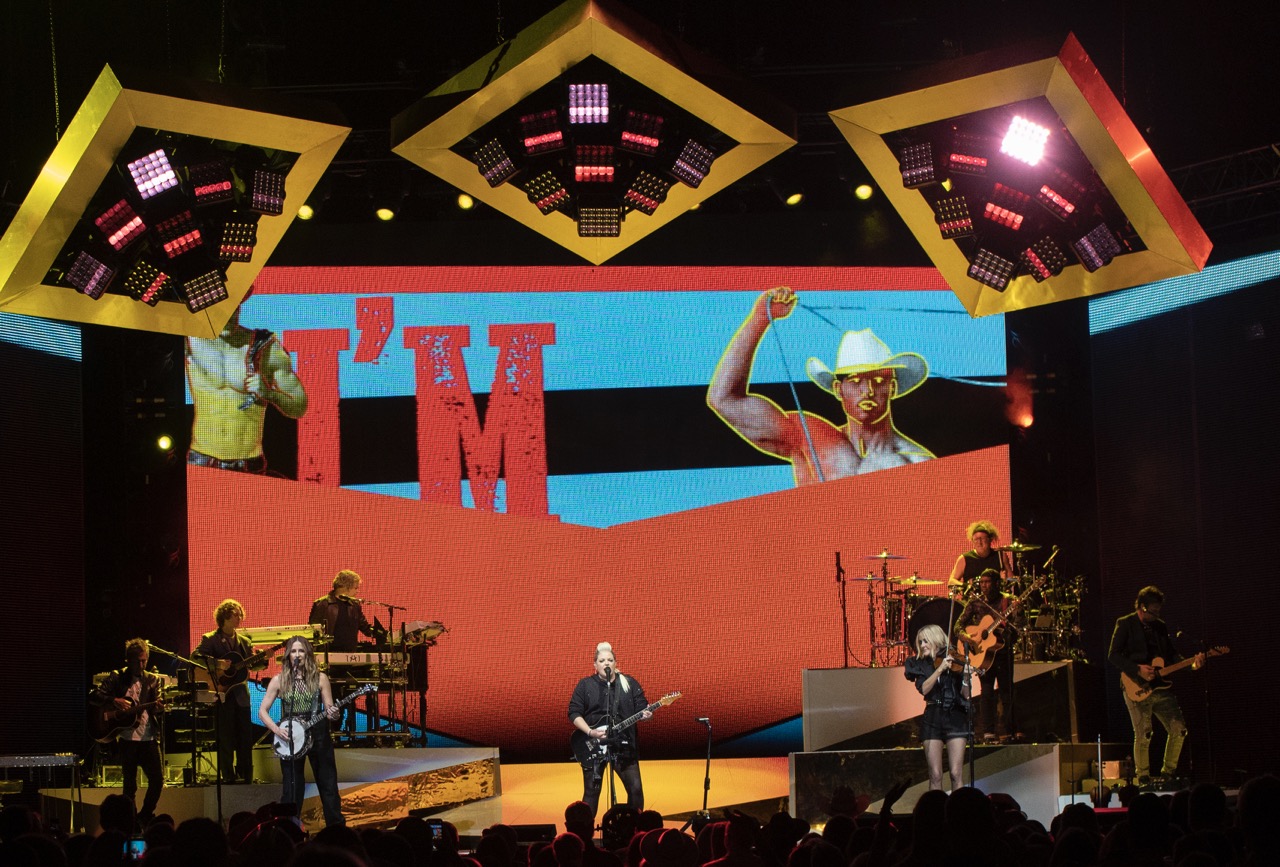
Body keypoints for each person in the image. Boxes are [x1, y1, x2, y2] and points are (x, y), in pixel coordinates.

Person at [707, 287, 933, 485]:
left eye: (878, 381)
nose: (868, 391)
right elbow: (723, 399)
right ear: (838, 389)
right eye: (855, 381)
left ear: (892, 388)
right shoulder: (811, 438)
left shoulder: (917, 462)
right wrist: (760, 318)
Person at [185, 297, 307, 474]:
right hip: (201, 460)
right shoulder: (190, 341)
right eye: (220, 312)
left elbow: (299, 407)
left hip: (248, 465)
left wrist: (269, 394)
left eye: (232, 310)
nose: (227, 318)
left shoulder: (265, 347)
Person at [1107, 585, 1204, 788]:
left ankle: (1168, 773)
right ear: (1142, 607)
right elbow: (1113, 655)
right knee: (1144, 732)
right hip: (1135, 686)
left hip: (1161, 687)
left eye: (1158, 611)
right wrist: (1137, 669)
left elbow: (1172, 655)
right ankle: (1143, 778)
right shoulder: (1125, 623)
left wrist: (1192, 664)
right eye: (1153, 611)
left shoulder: (1160, 626)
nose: (1157, 615)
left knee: (1179, 729)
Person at [257, 635, 345, 828]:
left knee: (328, 784)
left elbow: (329, 709)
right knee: (292, 788)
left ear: (308, 654)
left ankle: (336, 830)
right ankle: (289, 829)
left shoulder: (321, 678)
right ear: (288, 655)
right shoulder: (279, 680)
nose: (297, 655)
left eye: (301, 651)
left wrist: (334, 714)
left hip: (318, 732)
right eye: (294, 651)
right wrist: (276, 729)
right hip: (291, 735)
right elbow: (262, 711)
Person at [568, 642, 651, 817]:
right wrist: (590, 732)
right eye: (602, 660)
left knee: (635, 790)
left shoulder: (629, 683)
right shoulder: (585, 685)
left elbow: (642, 707)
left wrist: (645, 714)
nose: (606, 663)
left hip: (623, 745)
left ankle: (633, 828)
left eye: (610, 660)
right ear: (595, 665)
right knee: (591, 792)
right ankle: (585, 830)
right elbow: (574, 712)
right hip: (594, 745)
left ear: (615, 663)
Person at [89, 638, 166, 823]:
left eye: (144, 661)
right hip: (126, 738)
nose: (142, 665)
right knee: (129, 785)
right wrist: (114, 700)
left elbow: (157, 708)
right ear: (129, 660)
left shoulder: (153, 680)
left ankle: (145, 816)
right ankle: (130, 821)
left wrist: (160, 708)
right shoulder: (117, 676)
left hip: (148, 738)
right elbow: (94, 695)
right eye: (138, 661)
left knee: (157, 781)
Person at [192, 599, 263, 784]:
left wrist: (264, 659)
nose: (239, 618)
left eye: (240, 614)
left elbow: (252, 664)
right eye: (235, 614)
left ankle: (245, 776)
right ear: (224, 617)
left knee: (245, 738)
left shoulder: (244, 641)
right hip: (222, 693)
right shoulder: (211, 639)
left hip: (241, 696)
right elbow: (196, 657)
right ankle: (228, 777)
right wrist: (218, 664)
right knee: (226, 738)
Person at [308, 569, 382, 737]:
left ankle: (336, 730)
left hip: (349, 659)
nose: (357, 591)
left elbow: (365, 627)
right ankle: (328, 732)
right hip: (328, 659)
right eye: (355, 588)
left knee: (345, 695)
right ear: (345, 587)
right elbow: (313, 632)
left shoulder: (354, 605)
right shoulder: (322, 604)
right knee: (331, 695)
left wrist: (382, 635)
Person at [954, 569, 1021, 743]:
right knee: (987, 692)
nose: (984, 585)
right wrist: (968, 638)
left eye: (987, 582)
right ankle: (988, 732)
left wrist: (1017, 613)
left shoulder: (1007, 601)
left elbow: (1018, 628)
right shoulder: (975, 602)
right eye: (982, 582)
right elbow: (957, 626)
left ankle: (1011, 730)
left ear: (997, 583)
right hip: (982, 653)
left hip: (1003, 652)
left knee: (1007, 692)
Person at [904, 624, 971, 791]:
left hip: (955, 717)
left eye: (926, 641)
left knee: (956, 773)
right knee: (935, 774)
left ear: (936, 640)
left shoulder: (954, 659)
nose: (922, 645)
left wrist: (966, 677)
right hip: (932, 717)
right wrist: (940, 669)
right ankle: (935, 806)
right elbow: (924, 688)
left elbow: (966, 695)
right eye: (920, 642)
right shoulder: (920, 664)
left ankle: (957, 806)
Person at [947, 520, 1011, 598]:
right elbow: (951, 581)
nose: (979, 542)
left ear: (990, 539)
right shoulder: (964, 558)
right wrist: (967, 586)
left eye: (982, 539)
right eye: (976, 539)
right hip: (972, 601)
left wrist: (1004, 580)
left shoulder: (1000, 556)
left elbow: (1011, 579)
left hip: (996, 601)